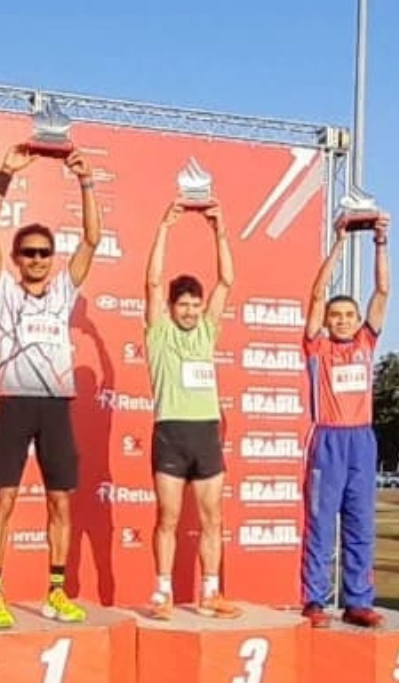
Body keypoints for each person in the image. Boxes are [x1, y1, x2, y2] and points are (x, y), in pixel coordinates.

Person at [0, 144, 99, 629]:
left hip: (55, 407)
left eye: (44, 253)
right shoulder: (3, 292)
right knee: (3, 500)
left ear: (52, 258)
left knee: (60, 501)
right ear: (16, 258)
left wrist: (86, 181)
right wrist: (3, 177)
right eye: (27, 253)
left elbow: (92, 238)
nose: (36, 259)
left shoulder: (65, 290)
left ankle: (55, 591)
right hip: (13, 404)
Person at [142, 200, 240, 620]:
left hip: (205, 435)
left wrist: (218, 229)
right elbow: (151, 281)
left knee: (212, 519)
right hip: (171, 432)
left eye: (194, 305)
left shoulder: (207, 330)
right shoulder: (159, 333)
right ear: (171, 307)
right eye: (182, 304)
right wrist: (165, 225)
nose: (189, 311)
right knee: (168, 517)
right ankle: (162, 592)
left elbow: (227, 280)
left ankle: (210, 592)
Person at [299, 214, 391, 628]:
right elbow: (317, 295)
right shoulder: (318, 347)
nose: (341, 320)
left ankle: (358, 601)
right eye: (336, 315)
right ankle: (314, 601)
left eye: (347, 316)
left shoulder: (366, 342)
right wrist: (338, 242)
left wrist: (380, 243)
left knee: (360, 524)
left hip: (362, 441)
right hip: (328, 441)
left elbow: (383, 290)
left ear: (356, 321)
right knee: (321, 525)